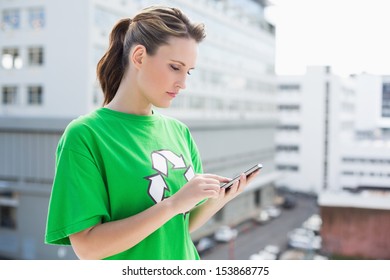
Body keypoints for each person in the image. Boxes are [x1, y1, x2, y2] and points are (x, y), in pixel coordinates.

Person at [45, 5, 259, 260]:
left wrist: (219, 198)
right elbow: (88, 248)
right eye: (175, 67)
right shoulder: (85, 135)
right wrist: (173, 204)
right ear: (138, 57)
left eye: (188, 71)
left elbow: (180, 224)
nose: (183, 83)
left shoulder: (179, 132)